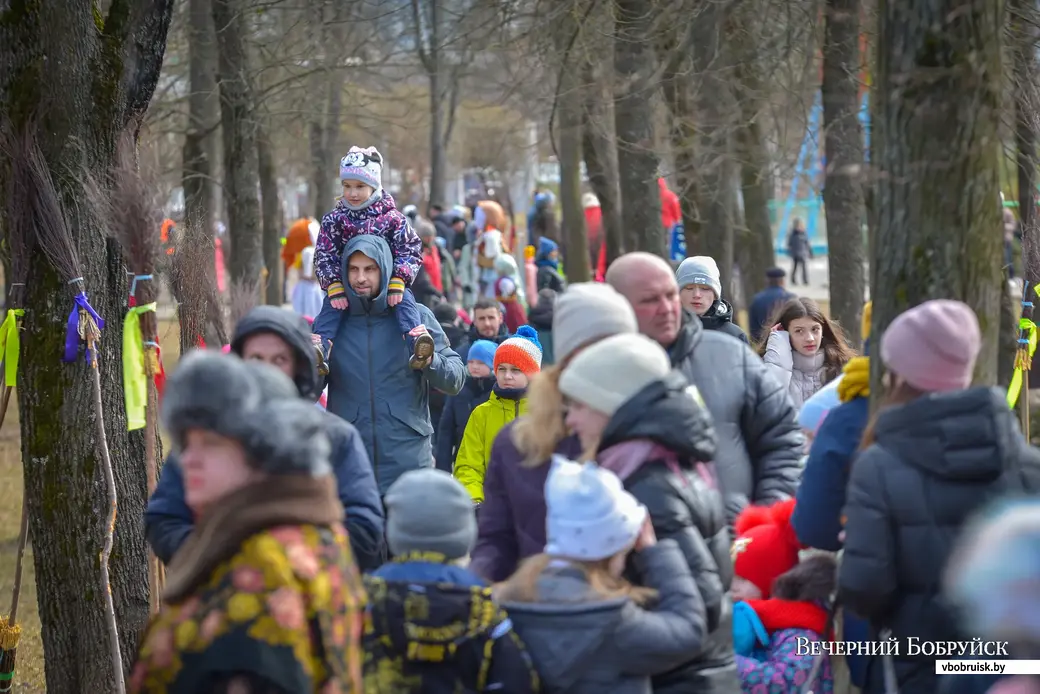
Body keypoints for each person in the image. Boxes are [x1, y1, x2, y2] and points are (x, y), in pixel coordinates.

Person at [131, 351, 365, 694]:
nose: (188, 460)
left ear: (265, 452)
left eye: (210, 444)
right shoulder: (313, 534)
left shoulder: (262, 569)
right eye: (186, 443)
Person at [839, 300, 1040, 694]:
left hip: (917, 664)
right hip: (1012, 669)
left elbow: (865, 587)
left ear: (899, 374)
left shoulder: (877, 466)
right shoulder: (1029, 465)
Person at [556, 332, 739, 693]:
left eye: (578, 406)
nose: (571, 420)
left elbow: (700, 606)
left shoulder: (645, 485)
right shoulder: (661, 462)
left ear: (609, 406)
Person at [145, 305, 386, 571]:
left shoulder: (332, 437)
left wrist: (291, 563)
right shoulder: (207, 437)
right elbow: (165, 519)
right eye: (256, 359)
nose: (266, 371)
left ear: (299, 367)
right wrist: (221, 561)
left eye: (279, 360)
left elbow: (365, 528)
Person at [606, 252, 803, 525]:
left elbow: (780, 436)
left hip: (735, 524)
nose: (665, 307)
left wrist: (765, 514)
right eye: (650, 299)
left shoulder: (734, 347)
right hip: (644, 534)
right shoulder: (606, 370)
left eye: (668, 295)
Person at [469, 283, 635, 582]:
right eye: (588, 344)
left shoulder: (653, 425)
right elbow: (495, 540)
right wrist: (479, 589)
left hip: (625, 604)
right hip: (536, 598)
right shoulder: (516, 440)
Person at [499, 458, 707, 694]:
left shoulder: (509, 602)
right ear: (615, 549)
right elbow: (689, 629)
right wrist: (654, 550)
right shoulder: (615, 621)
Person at [362, 469, 539, 692]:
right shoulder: (482, 605)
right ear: (465, 534)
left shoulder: (362, 600)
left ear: (393, 531)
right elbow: (515, 682)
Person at [324, 235, 466, 495]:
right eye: (353, 270)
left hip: (409, 465)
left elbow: (456, 378)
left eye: (370, 269)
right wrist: (309, 365)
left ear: (386, 269)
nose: (360, 278)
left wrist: (430, 360)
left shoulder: (415, 317)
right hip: (350, 467)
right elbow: (304, 390)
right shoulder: (332, 322)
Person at [312, 146, 433, 369]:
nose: (352, 193)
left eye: (360, 186)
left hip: (388, 284)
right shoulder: (334, 220)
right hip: (346, 284)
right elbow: (324, 253)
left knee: (405, 302)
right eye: (347, 186)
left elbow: (410, 249)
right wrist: (333, 283)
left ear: (374, 186)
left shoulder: (392, 219)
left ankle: (416, 341)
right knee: (331, 308)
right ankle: (321, 347)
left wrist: (399, 278)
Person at [730, 499, 835, 693]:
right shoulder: (752, 620)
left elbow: (786, 683)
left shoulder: (802, 629)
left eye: (743, 579)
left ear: (772, 581)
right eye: (732, 577)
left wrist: (728, 664)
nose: (732, 588)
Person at [454, 326, 542, 503]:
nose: (507, 376)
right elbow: (468, 466)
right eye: (501, 369)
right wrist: (475, 501)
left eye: (516, 370)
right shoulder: (481, 414)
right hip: (492, 509)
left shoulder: (545, 413)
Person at [758, 297, 855, 410]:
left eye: (815, 329)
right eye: (799, 331)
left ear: (823, 330)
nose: (809, 338)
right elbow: (769, 407)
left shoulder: (843, 367)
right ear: (786, 333)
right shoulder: (765, 369)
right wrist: (778, 359)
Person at [436, 339, 497, 473]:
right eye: (470, 362)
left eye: (481, 363)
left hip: (492, 463)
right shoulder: (458, 390)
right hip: (463, 460)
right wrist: (443, 468)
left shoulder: (497, 393)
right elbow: (446, 431)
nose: (474, 366)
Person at [675, 255, 748, 343]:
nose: (697, 295)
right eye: (689, 288)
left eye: (705, 288)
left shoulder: (735, 336)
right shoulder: (663, 332)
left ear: (715, 295)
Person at [748, 268, 795, 344]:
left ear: (767, 281)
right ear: (782, 281)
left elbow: (753, 327)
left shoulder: (757, 299)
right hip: (787, 342)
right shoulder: (791, 298)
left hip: (764, 344)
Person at [456, 296, 510, 362]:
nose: (487, 323)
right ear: (475, 321)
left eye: (491, 318)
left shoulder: (513, 348)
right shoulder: (462, 354)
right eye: (482, 319)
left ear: (500, 318)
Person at [527, 288, 556, 366]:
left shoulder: (529, 327)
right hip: (559, 370)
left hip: (538, 371)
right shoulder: (562, 323)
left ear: (538, 301)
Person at [786, 218, 812, 285]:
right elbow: (790, 243)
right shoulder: (793, 234)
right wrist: (790, 251)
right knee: (795, 267)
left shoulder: (803, 233)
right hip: (795, 253)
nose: (800, 227)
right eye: (798, 226)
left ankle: (805, 280)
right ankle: (793, 279)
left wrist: (810, 252)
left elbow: (807, 243)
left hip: (803, 252)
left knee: (804, 267)